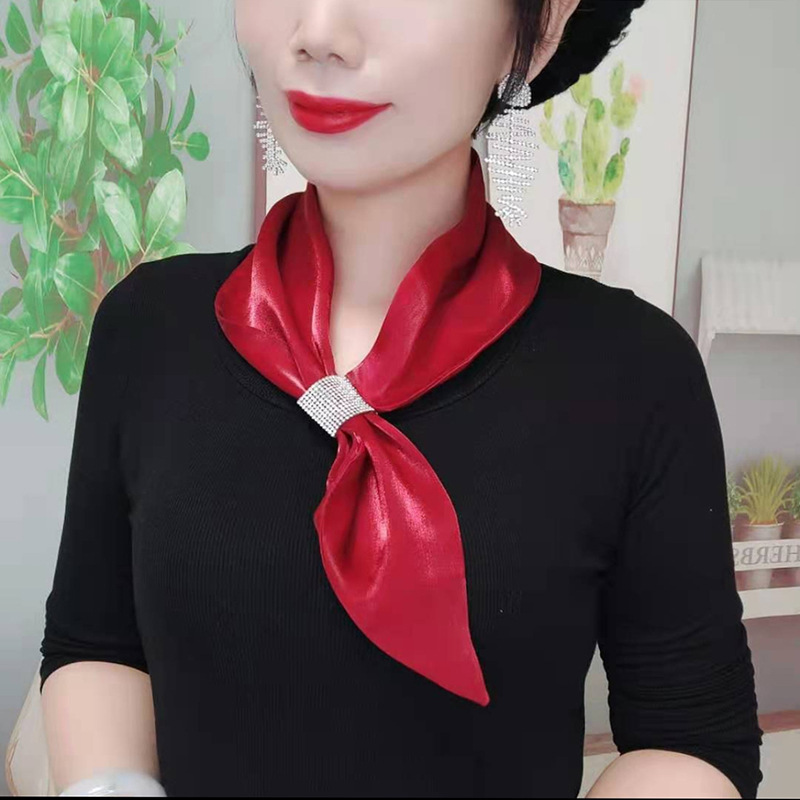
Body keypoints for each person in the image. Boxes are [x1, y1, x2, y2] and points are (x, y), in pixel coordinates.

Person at [39, 0, 763, 797]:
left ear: (546, 22)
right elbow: (96, 644)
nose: (319, 32)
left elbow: (690, 740)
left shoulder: (634, 375)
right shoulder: (149, 329)